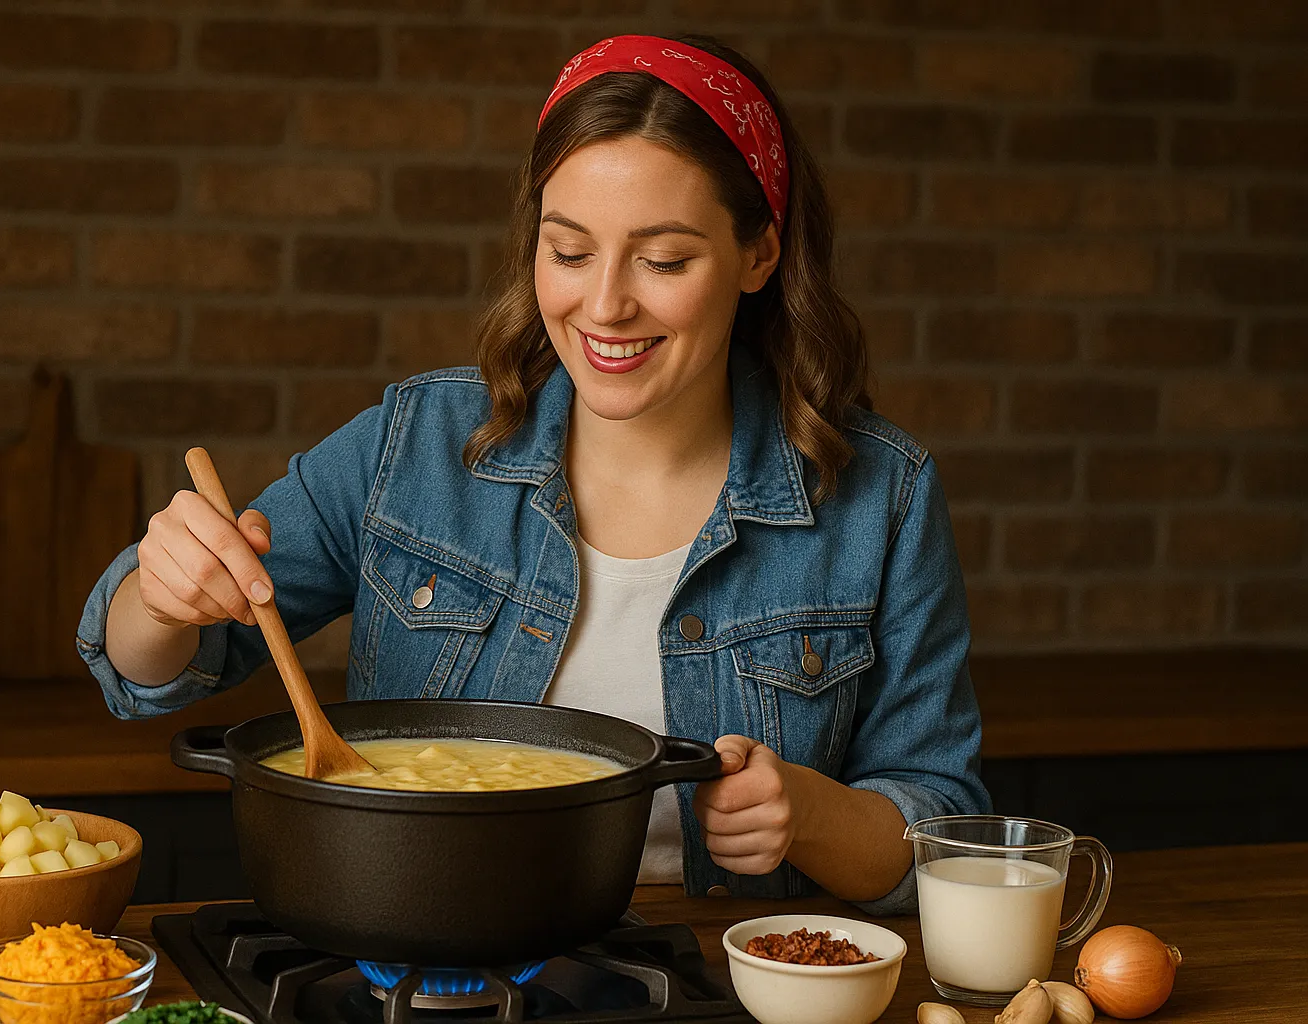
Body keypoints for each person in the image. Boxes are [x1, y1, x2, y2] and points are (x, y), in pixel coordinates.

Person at [79, 33, 990, 910]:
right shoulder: (417, 443)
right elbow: (156, 667)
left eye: (664, 258)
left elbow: (947, 827)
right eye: (570, 250)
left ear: (760, 253)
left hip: (714, 969)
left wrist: (816, 817)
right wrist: (160, 600)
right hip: (427, 940)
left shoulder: (882, 494)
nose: (604, 305)